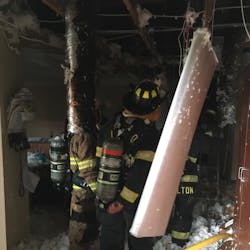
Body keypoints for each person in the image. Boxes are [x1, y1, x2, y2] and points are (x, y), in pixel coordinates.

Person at [95, 79, 162, 250]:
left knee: (110, 237)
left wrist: (102, 191)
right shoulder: (149, 133)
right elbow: (141, 170)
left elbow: (98, 157)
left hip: (107, 191)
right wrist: (123, 200)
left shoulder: (112, 123)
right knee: (139, 239)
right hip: (134, 198)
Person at [169, 131, 200, 247]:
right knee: (180, 210)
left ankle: (179, 242)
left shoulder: (192, 135)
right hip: (181, 178)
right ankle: (177, 239)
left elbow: (191, 158)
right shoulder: (186, 133)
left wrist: (183, 167)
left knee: (183, 211)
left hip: (187, 180)